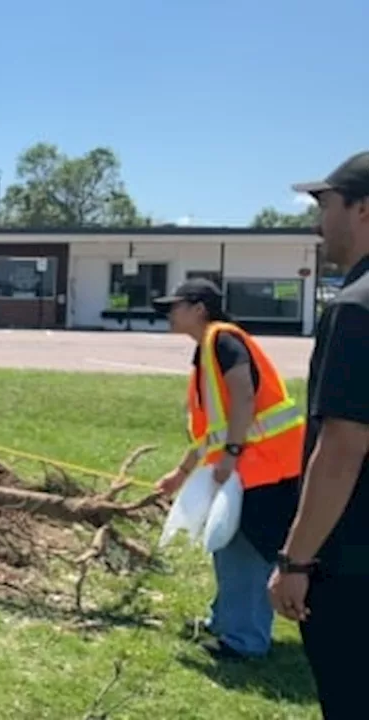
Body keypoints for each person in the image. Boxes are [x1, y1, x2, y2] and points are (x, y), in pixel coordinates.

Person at [152, 278, 304, 661]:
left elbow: (244, 395)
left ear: (199, 308)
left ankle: (245, 641)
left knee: (245, 550)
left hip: (266, 466)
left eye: (175, 306)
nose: (170, 314)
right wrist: (180, 474)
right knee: (228, 547)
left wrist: (233, 454)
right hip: (253, 465)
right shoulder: (208, 349)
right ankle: (227, 622)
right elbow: (211, 434)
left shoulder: (222, 340)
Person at [269, 151, 370, 718]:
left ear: (363, 209)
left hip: (355, 565)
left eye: (324, 203)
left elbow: (343, 448)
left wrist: (295, 562)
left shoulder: (357, 308)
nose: (317, 220)